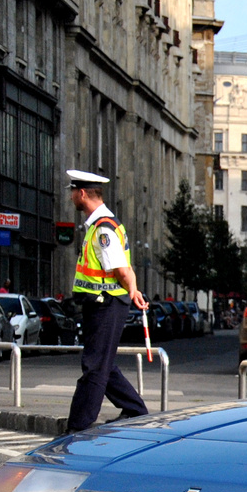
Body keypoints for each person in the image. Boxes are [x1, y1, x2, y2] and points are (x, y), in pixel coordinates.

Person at [65, 170, 150, 433]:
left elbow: (122, 270)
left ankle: (77, 427)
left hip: (107, 304)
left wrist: (131, 289)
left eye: (72, 192)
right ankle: (136, 410)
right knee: (103, 362)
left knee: (94, 367)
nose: (70, 197)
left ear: (82, 194)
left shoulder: (103, 227)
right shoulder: (104, 224)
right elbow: (125, 267)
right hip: (105, 302)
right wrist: (133, 291)